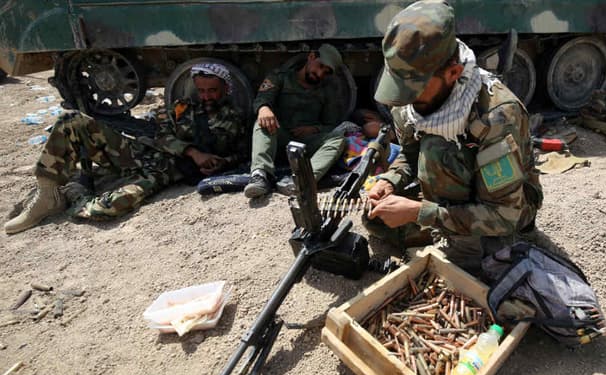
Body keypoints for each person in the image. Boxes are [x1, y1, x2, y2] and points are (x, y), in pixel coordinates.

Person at [366, 0, 543, 274]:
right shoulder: (410, 102)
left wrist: (418, 213)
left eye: (413, 88)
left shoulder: (496, 116)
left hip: (502, 208)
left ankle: (459, 248)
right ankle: (443, 234)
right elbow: (410, 153)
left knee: (477, 262)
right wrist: (392, 180)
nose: (405, 99)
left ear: (453, 73)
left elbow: (505, 214)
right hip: (449, 198)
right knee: (375, 218)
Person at [4, 63, 247, 234]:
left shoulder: (237, 118)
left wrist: (221, 163)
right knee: (71, 121)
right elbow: (161, 136)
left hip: (162, 173)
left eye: (212, 90)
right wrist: (193, 152)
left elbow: (243, 153)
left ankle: (77, 195)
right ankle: (49, 194)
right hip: (137, 154)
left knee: (109, 207)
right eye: (201, 90)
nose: (206, 96)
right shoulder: (180, 108)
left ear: (226, 88)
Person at [244, 44, 348, 198]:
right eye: (320, 66)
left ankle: (303, 180)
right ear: (311, 56)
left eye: (326, 72)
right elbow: (262, 99)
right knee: (262, 122)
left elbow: (331, 125)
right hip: (279, 136)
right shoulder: (281, 77)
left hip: (306, 143)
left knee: (338, 139)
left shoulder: (327, 90)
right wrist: (264, 108)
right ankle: (261, 175)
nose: (319, 73)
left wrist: (315, 129)